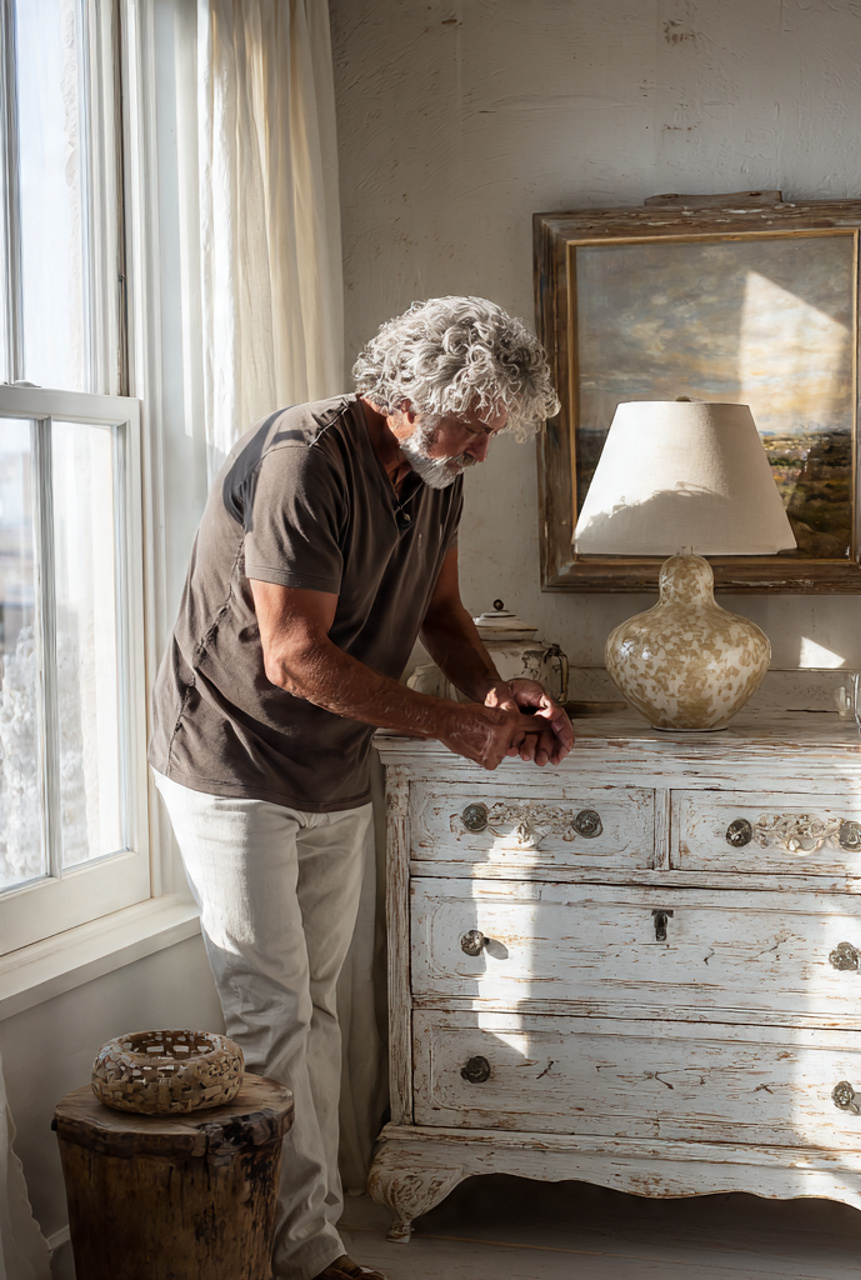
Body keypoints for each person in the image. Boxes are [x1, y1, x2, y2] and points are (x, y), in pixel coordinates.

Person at [149, 296, 572, 1280]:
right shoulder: (304, 457)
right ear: (406, 393)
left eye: (494, 429)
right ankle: (295, 1256)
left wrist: (490, 690)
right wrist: (451, 724)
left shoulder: (434, 475)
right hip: (234, 756)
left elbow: (439, 609)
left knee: (318, 1005)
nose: (482, 448)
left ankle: (309, 1241)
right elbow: (294, 656)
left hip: (334, 762)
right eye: (471, 423)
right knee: (270, 1013)